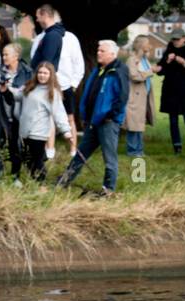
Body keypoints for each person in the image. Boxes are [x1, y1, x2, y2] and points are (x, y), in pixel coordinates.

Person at [55, 39, 129, 196]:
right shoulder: (98, 70)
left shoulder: (118, 71)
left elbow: (122, 97)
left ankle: (108, 189)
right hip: (93, 121)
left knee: (109, 158)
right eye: (98, 50)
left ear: (112, 54)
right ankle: (64, 181)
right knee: (81, 154)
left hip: (107, 122)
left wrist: (111, 115)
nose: (98, 53)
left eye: (102, 51)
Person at [18, 60, 74, 181]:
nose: (42, 75)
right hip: (25, 131)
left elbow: (59, 112)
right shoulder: (30, 87)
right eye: (40, 72)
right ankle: (33, 182)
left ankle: (40, 183)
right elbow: (17, 95)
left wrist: (66, 131)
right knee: (28, 159)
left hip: (38, 132)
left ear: (50, 75)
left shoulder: (52, 93)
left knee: (37, 160)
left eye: (45, 73)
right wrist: (5, 89)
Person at [157, 29, 185, 153]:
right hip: (170, 91)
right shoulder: (168, 52)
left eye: (177, 39)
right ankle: (177, 146)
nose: (175, 41)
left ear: (184, 38)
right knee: (173, 119)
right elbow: (160, 71)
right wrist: (167, 61)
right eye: (173, 39)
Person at [0, 42, 30, 181]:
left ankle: (16, 176)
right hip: (1, 113)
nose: (3, 57)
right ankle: (0, 175)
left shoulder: (27, 72)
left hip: (18, 114)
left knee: (16, 146)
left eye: (6, 54)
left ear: (16, 56)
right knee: (0, 145)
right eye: (2, 54)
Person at [124, 34, 154, 158]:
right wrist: (150, 72)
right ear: (142, 45)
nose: (150, 46)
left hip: (143, 96)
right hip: (134, 97)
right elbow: (135, 76)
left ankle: (139, 150)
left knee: (140, 123)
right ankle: (132, 151)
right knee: (133, 124)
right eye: (148, 43)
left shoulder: (144, 60)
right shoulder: (132, 60)